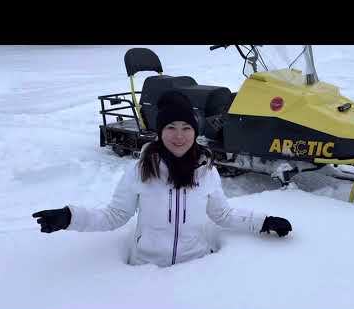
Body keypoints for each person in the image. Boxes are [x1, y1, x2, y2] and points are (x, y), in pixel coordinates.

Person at [32, 91, 292, 267]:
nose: (179, 136)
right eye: (170, 128)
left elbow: (223, 215)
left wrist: (264, 222)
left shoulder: (206, 170)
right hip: (146, 271)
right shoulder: (140, 170)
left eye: (186, 128)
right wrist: (70, 217)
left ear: (195, 132)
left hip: (198, 269)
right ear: (159, 132)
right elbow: (114, 217)